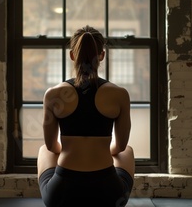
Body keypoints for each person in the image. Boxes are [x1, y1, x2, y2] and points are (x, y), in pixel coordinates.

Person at [37, 25, 135, 207]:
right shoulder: (120, 94)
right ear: (102, 56)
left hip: (62, 194)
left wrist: (72, 151)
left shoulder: (53, 94)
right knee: (128, 150)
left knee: (44, 149)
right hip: (108, 195)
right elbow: (120, 147)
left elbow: (51, 146)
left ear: (72, 55)